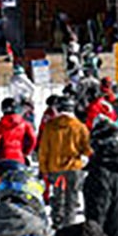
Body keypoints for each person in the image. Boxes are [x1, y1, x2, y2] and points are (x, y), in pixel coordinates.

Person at [36, 97, 90, 227]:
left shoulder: (50, 126)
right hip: (74, 168)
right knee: (72, 198)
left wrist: (43, 169)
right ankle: (70, 225)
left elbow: (44, 150)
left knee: (58, 196)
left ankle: (57, 223)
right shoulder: (80, 126)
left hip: (55, 168)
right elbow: (87, 149)